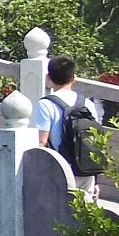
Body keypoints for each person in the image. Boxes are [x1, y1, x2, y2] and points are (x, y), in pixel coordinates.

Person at [37, 54, 102, 193]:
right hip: (86, 170)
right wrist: (95, 180)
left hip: (61, 169)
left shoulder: (45, 104)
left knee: (59, 213)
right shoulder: (88, 104)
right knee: (84, 213)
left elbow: (41, 142)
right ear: (73, 78)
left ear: (48, 78)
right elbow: (95, 142)